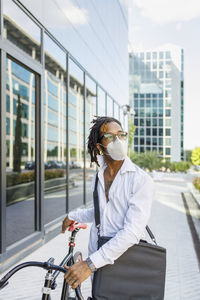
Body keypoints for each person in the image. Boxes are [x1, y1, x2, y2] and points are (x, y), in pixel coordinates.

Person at [62, 116, 155, 291]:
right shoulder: (98, 177)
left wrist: (89, 264)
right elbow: (101, 212)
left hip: (125, 261)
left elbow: (132, 232)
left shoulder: (141, 180)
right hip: (98, 258)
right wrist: (72, 216)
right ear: (99, 146)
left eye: (121, 135)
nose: (118, 140)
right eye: (111, 137)